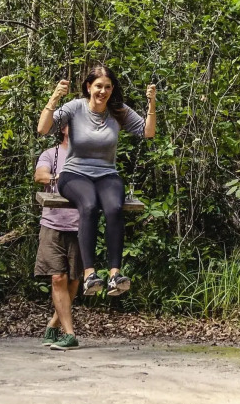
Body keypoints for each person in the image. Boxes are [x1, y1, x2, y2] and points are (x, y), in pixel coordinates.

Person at [36, 64, 156, 302]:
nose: (103, 91)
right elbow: (43, 128)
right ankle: (90, 274)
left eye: (108, 87)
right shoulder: (75, 107)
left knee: (114, 208)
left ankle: (114, 275)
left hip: (106, 174)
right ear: (89, 87)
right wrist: (54, 97)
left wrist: (151, 103)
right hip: (74, 174)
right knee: (89, 205)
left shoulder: (118, 111)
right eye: (99, 86)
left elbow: (147, 132)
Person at [34, 128, 84, 350]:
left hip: (81, 226)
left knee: (74, 280)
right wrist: (60, 177)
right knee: (57, 277)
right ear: (63, 129)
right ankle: (70, 334)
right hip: (53, 224)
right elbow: (40, 175)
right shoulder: (50, 154)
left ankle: (53, 325)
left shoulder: (90, 157)